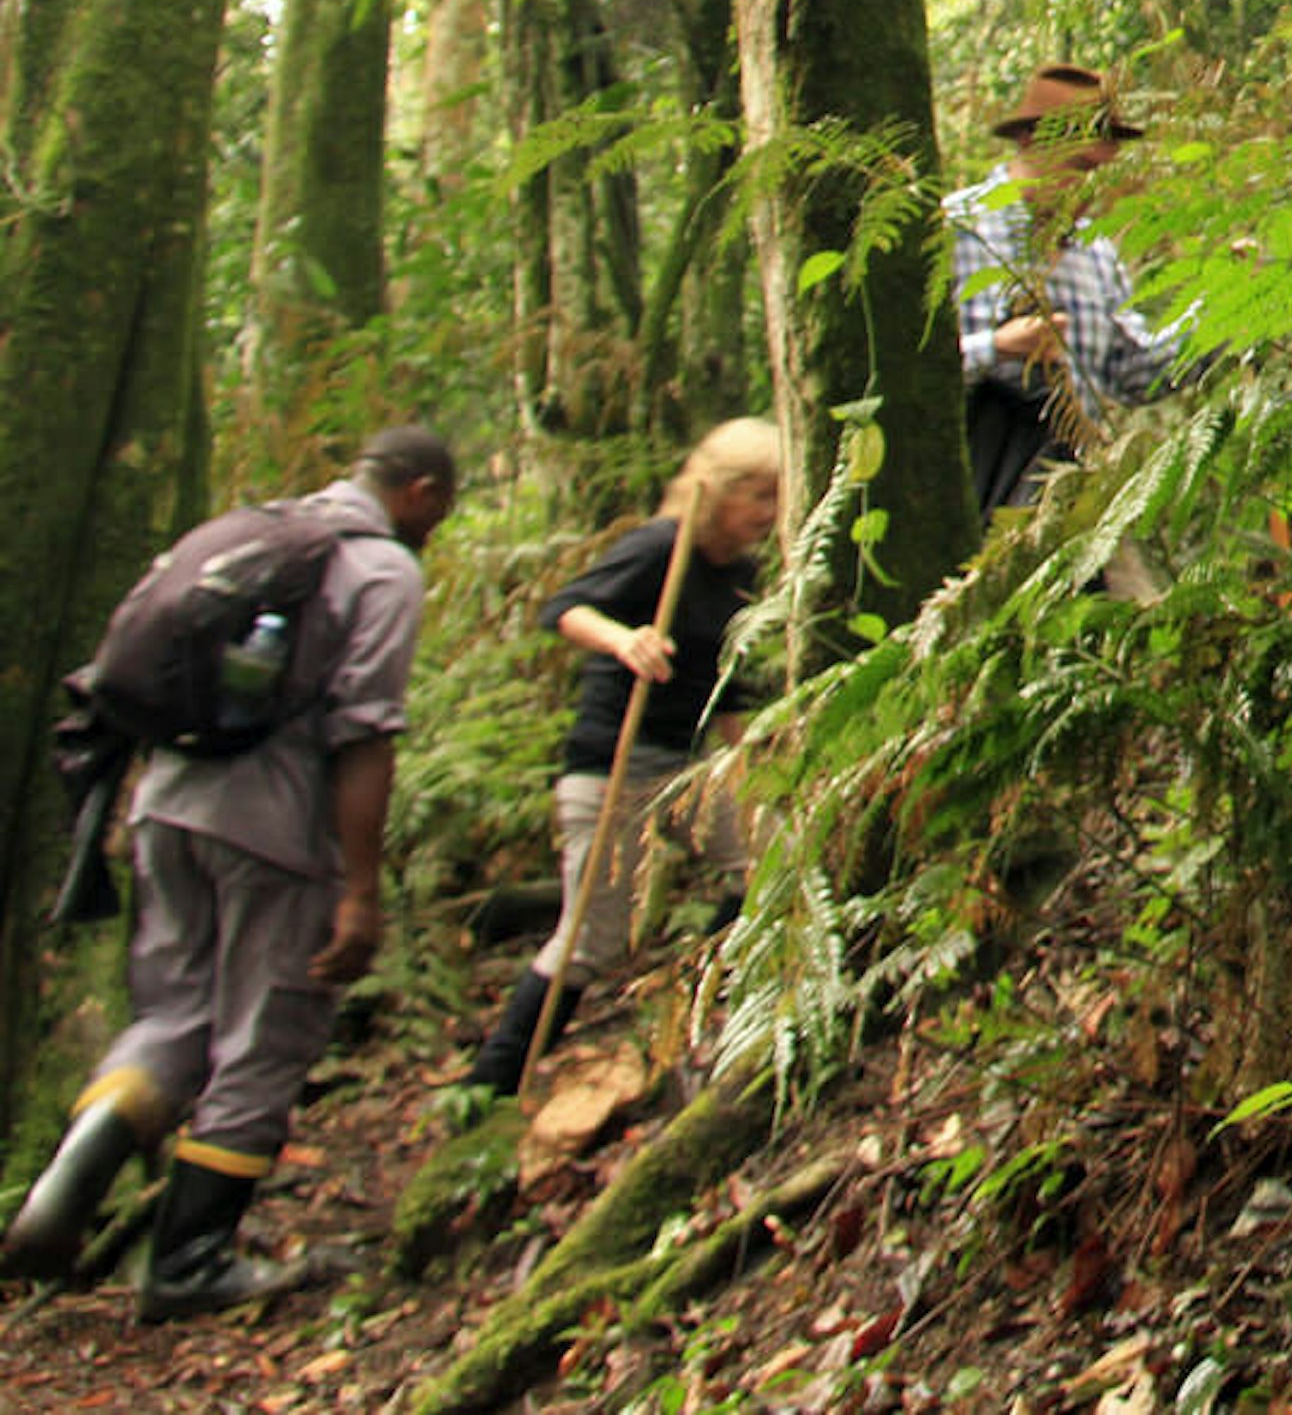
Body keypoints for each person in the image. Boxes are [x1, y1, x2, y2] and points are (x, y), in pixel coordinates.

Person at [3, 426, 454, 1317]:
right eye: (441, 508)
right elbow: (365, 732)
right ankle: (191, 1258)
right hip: (270, 831)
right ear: (422, 491)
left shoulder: (255, 529)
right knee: (266, 1029)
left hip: (163, 805)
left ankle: (71, 1172)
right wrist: (360, 892)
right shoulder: (382, 570)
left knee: (177, 1012)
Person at [465, 419, 780, 1098]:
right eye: (758, 494)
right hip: (612, 762)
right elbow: (566, 608)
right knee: (592, 939)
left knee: (766, 861)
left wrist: (748, 761)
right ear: (718, 492)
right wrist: (623, 639)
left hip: (683, 765)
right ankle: (491, 1086)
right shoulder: (658, 549)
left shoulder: (738, 574)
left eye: (776, 497)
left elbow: (730, 681)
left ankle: (701, 1002)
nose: (768, 512)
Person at [950, 64, 1186, 517]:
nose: (1091, 187)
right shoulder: (956, 231)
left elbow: (1134, 372)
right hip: (961, 510)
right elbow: (900, 376)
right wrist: (996, 349)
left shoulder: (1096, 255)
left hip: (1067, 514)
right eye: (1080, 168)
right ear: (1029, 142)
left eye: (1102, 172)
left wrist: (1221, 319)